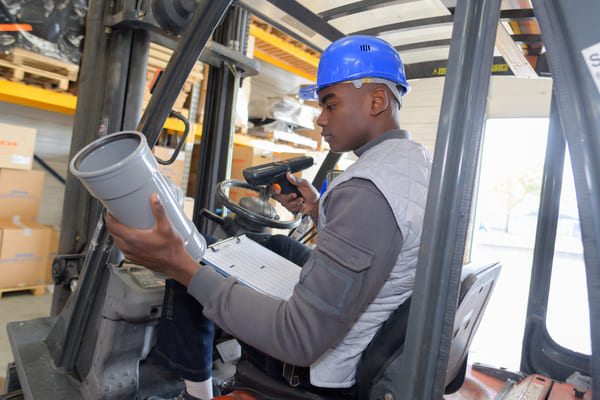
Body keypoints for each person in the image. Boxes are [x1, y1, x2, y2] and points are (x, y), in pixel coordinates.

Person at [106, 35, 433, 400]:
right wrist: (315, 207)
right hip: (368, 327)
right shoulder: (414, 162)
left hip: (318, 372)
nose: (320, 118)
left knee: (199, 257)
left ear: (377, 101)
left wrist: (179, 265)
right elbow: (385, 243)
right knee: (276, 242)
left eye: (330, 104)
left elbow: (298, 338)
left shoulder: (366, 193)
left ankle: (196, 392)